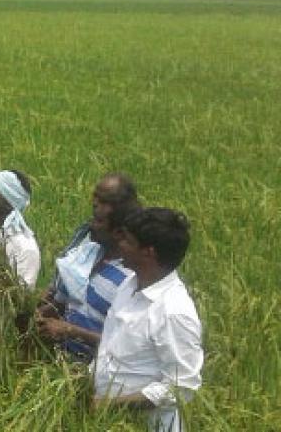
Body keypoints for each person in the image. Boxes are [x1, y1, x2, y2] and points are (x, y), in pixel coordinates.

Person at [92, 207, 202, 432]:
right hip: (109, 420)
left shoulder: (174, 312)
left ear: (148, 253)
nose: (119, 244)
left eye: (128, 241)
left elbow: (181, 387)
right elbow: (113, 347)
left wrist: (111, 405)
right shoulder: (129, 284)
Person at [36, 173, 139, 361]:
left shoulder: (130, 279)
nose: (91, 225)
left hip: (90, 372)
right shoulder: (85, 256)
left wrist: (70, 330)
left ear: (118, 231)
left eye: (99, 221)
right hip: (55, 358)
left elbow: (126, 347)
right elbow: (60, 304)